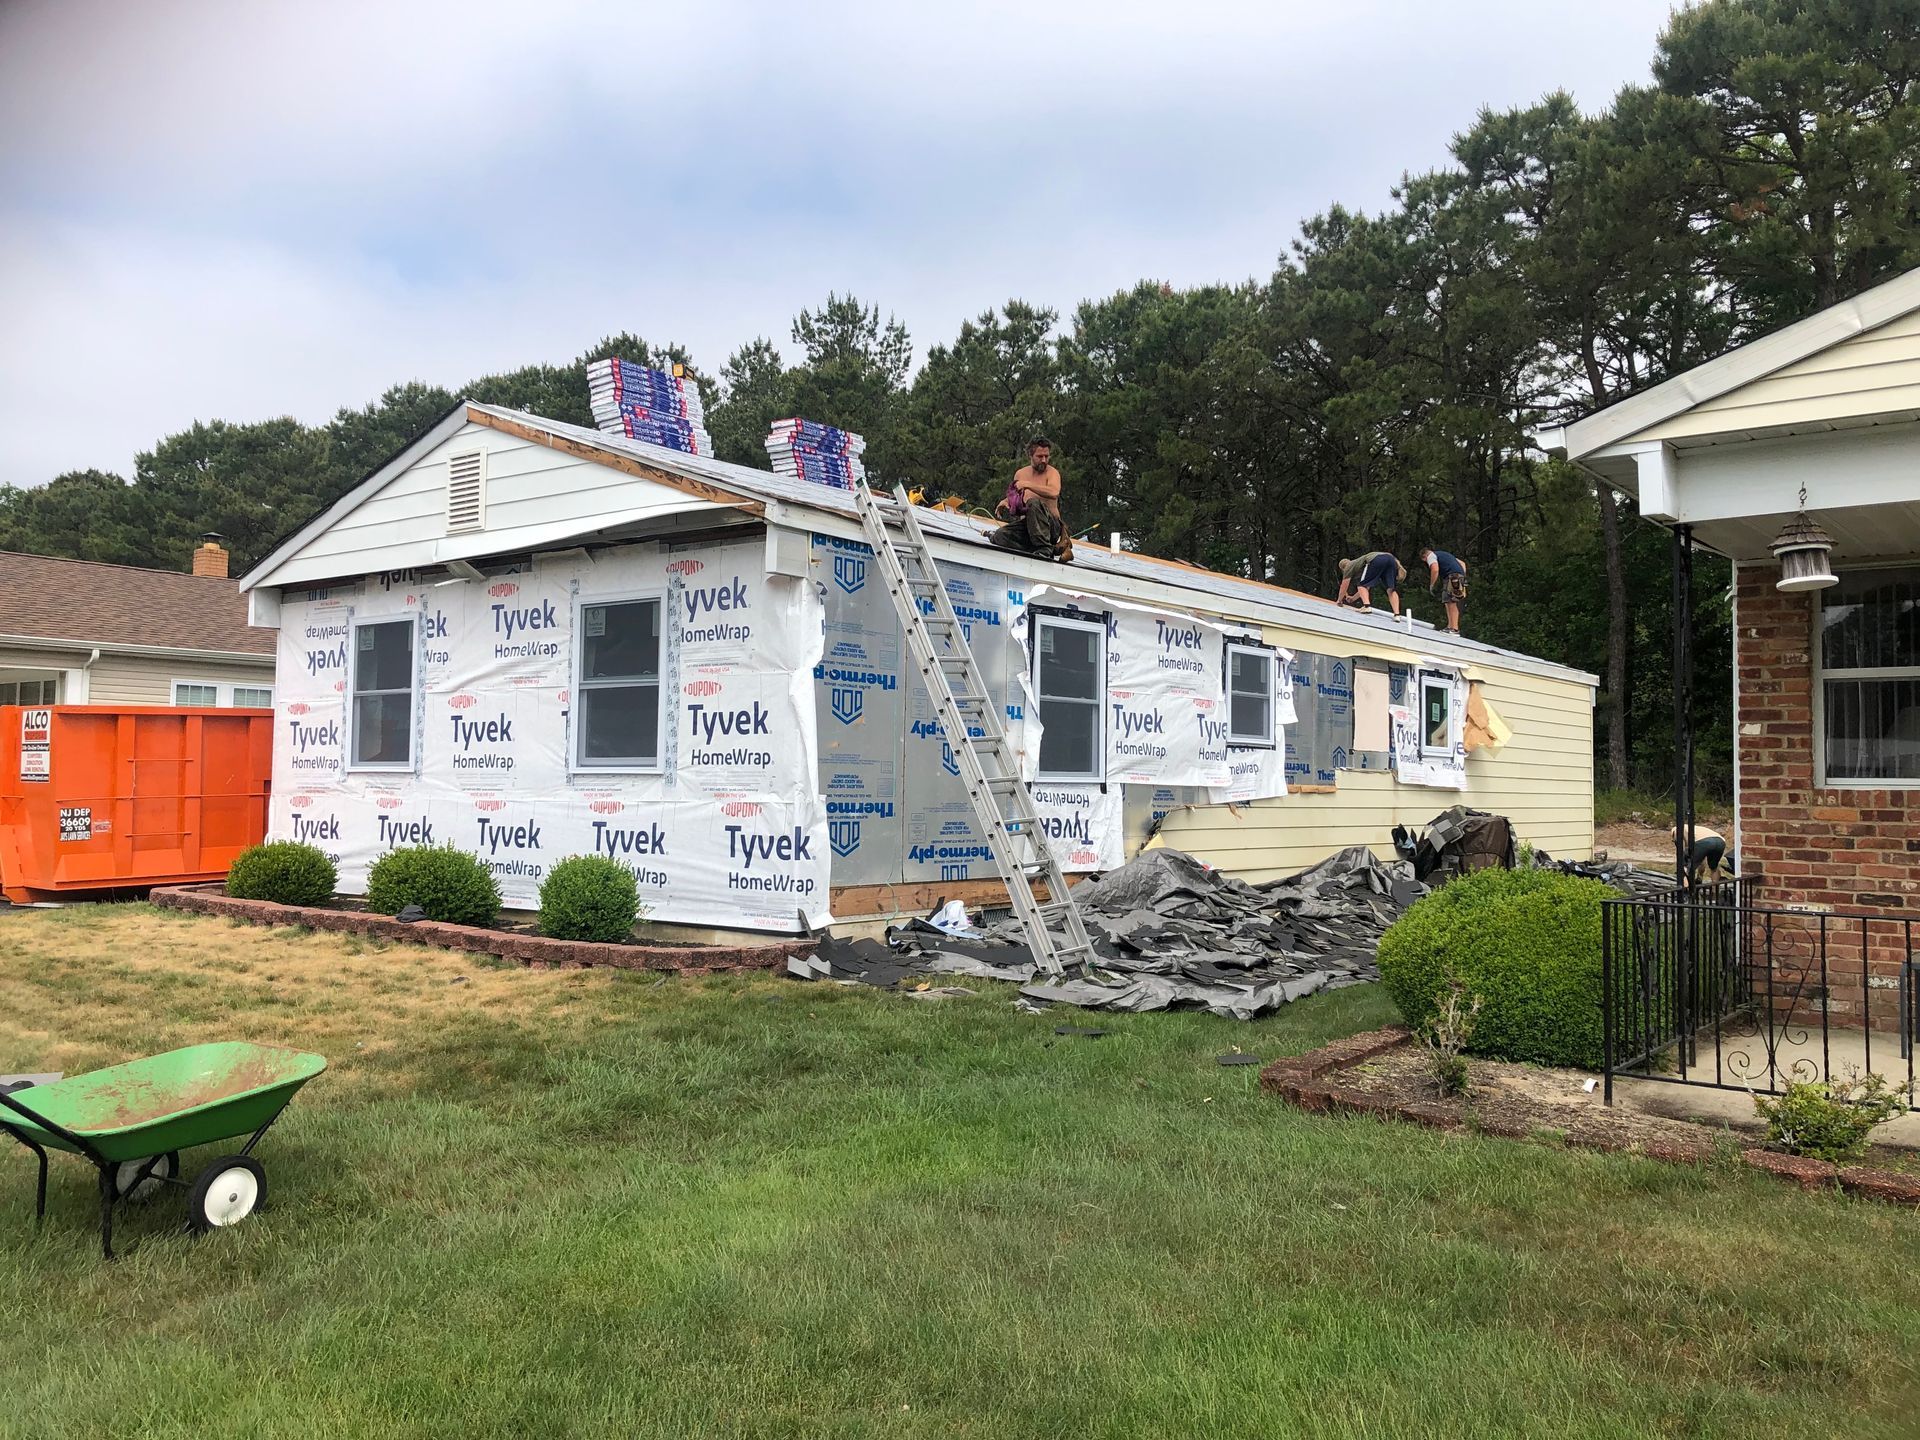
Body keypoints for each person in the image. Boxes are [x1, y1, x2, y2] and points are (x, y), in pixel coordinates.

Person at [990, 436, 1070, 561]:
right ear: (1030, 456)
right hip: (1029, 527)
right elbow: (1016, 497)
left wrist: (1028, 485)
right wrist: (1005, 502)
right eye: (1040, 456)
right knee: (1000, 536)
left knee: (1033, 503)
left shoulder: (1052, 473)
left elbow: (1054, 492)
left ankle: (1045, 548)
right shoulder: (1021, 474)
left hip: (1050, 528)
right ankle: (1042, 549)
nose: (1044, 460)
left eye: (1046, 456)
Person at [1335, 551, 1404, 616]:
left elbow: (1344, 586)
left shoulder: (1349, 566)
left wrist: (1339, 600)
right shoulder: (1360, 566)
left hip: (1377, 559)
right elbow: (1366, 587)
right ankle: (1397, 614)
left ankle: (1367, 606)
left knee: (1361, 584)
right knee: (1391, 590)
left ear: (1343, 568)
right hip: (1391, 560)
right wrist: (1353, 598)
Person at [1421, 546, 1469, 633]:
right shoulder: (1445, 554)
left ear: (1424, 556)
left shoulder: (1431, 556)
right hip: (1458, 576)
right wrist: (1462, 576)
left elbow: (1435, 569)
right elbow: (1462, 563)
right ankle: (1450, 626)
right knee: (1448, 601)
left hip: (1452, 577)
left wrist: (1432, 584)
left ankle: (1454, 628)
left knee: (1452, 602)